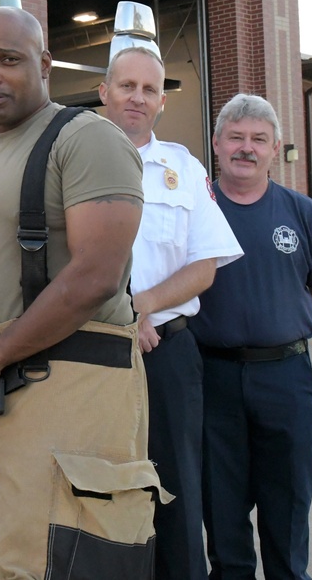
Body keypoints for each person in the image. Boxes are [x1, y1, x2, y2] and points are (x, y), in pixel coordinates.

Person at [0, 6, 165, 579]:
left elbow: (96, 277)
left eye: (7, 59)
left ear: (43, 64)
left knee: (53, 566)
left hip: (70, 388)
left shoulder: (87, 139)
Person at [99, 45, 243, 580]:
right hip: (91, 353)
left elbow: (205, 265)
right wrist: (118, 316)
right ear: (104, 92)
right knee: (96, 488)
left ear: (161, 100)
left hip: (168, 354)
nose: (137, 97)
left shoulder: (184, 167)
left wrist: (142, 307)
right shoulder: (67, 156)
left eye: (149, 89)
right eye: (126, 85)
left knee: (176, 488)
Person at [190, 93, 312, 580]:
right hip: (212, 380)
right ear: (217, 144)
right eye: (236, 137)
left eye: (258, 139)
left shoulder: (302, 214)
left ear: (276, 148)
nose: (246, 148)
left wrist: (282, 336)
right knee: (224, 517)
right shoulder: (195, 211)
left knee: (288, 516)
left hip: (287, 381)